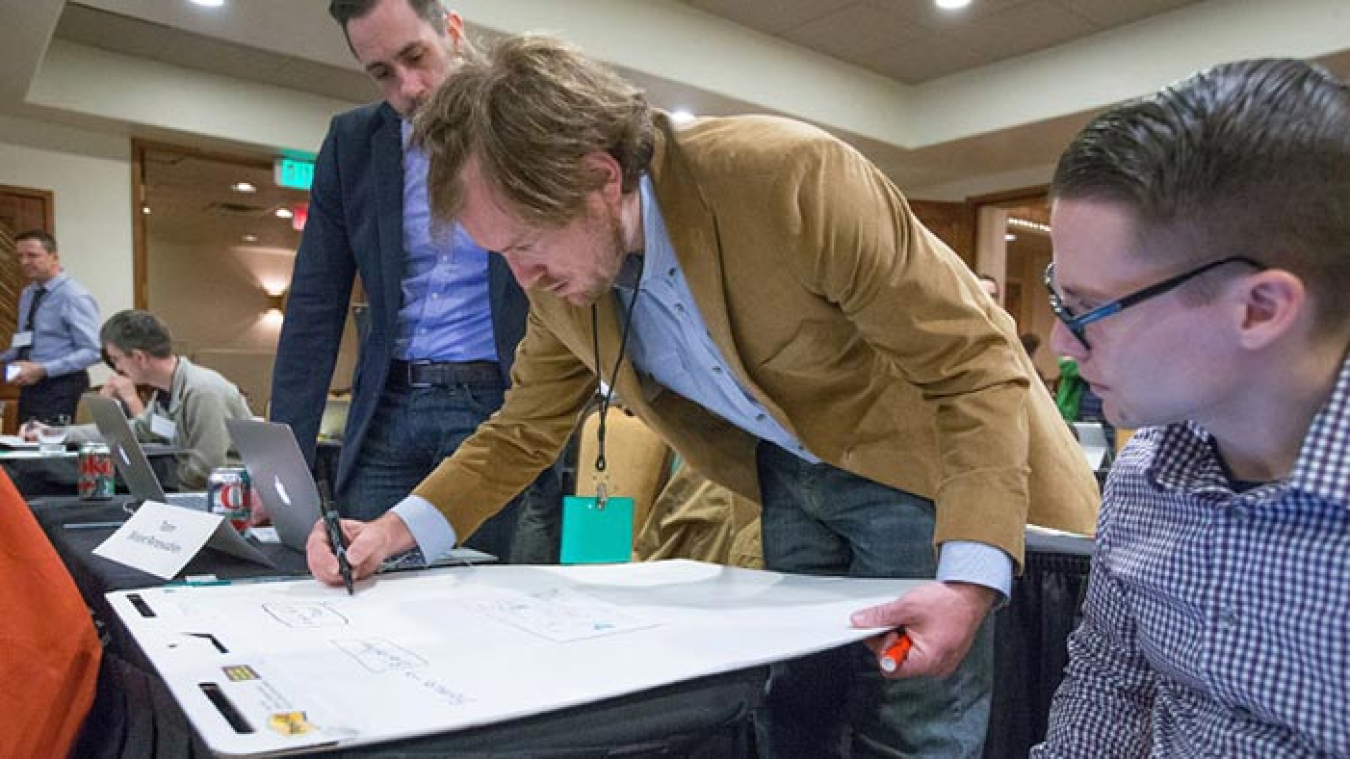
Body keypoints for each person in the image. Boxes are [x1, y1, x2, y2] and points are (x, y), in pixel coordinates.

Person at [309, 35, 1100, 757]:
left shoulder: (785, 178)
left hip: (920, 465)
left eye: (525, 244)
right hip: (789, 476)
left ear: (599, 175)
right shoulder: (565, 286)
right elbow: (520, 431)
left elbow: (972, 364)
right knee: (800, 705)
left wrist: (968, 576)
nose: (524, 280)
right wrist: (391, 531)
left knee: (914, 716)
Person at [1033, 58, 1350, 756]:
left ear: (1259, 308)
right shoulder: (1145, 471)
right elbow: (1108, 683)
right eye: (1060, 295)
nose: (1061, 340)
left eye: (1088, 309)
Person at [269, 0, 560, 562]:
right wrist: (288, 464)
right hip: (388, 405)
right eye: (382, 73)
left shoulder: (523, 125)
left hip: (496, 404)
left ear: (451, 29)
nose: (409, 87)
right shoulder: (351, 143)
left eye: (415, 56)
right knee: (359, 579)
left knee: (489, 606)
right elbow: (313, 306)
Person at [62, 310, 252, 490]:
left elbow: (204, 469)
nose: (117, 368)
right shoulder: (165, 391)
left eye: (117, 359)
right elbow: (136, 429)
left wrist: (149, 481)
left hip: (222, 496)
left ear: (139, 357)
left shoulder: (203, 392)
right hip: (184, 484)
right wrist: (62, 435)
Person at [0, 230, 101, 423]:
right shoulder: (28, 294)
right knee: (26, 446)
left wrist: (43, 369)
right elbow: (25, 341)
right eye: (20, 256)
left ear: (54, 256)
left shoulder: (74, 296)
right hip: (29, 387)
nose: (24, 262)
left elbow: (94, 351)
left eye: (32, 255)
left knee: (52, 448)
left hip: (60, 387)